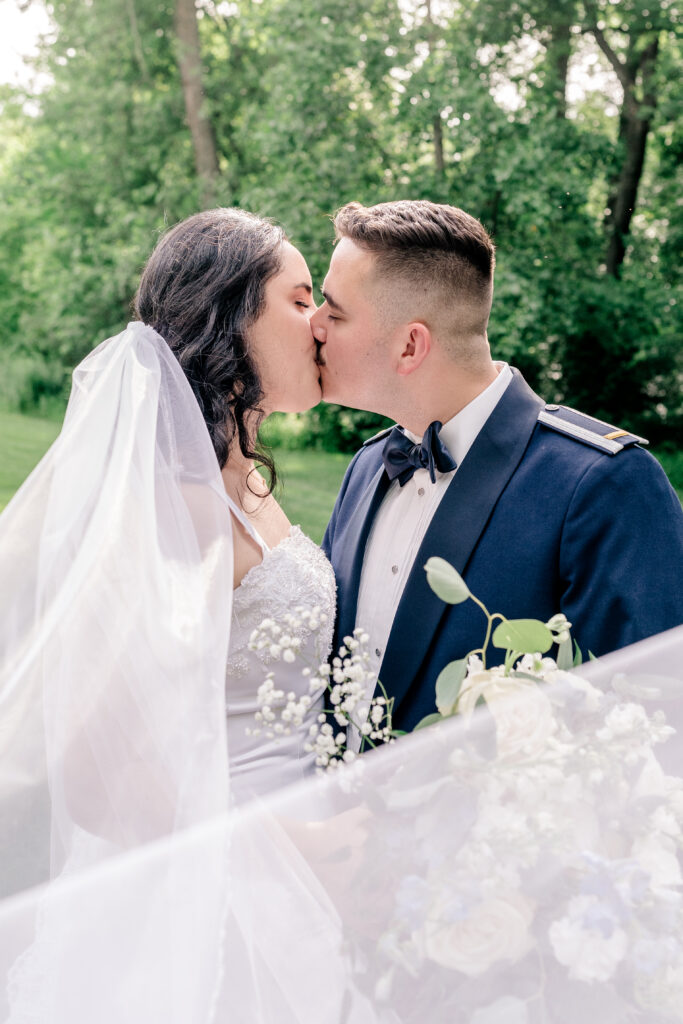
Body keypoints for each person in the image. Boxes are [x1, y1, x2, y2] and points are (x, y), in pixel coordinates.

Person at [314, 199, 683, 733]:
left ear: (410, 345)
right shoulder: (369, 467)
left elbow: (658, 724)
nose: (315, 324)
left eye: (335, 311)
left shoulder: (602, 484)